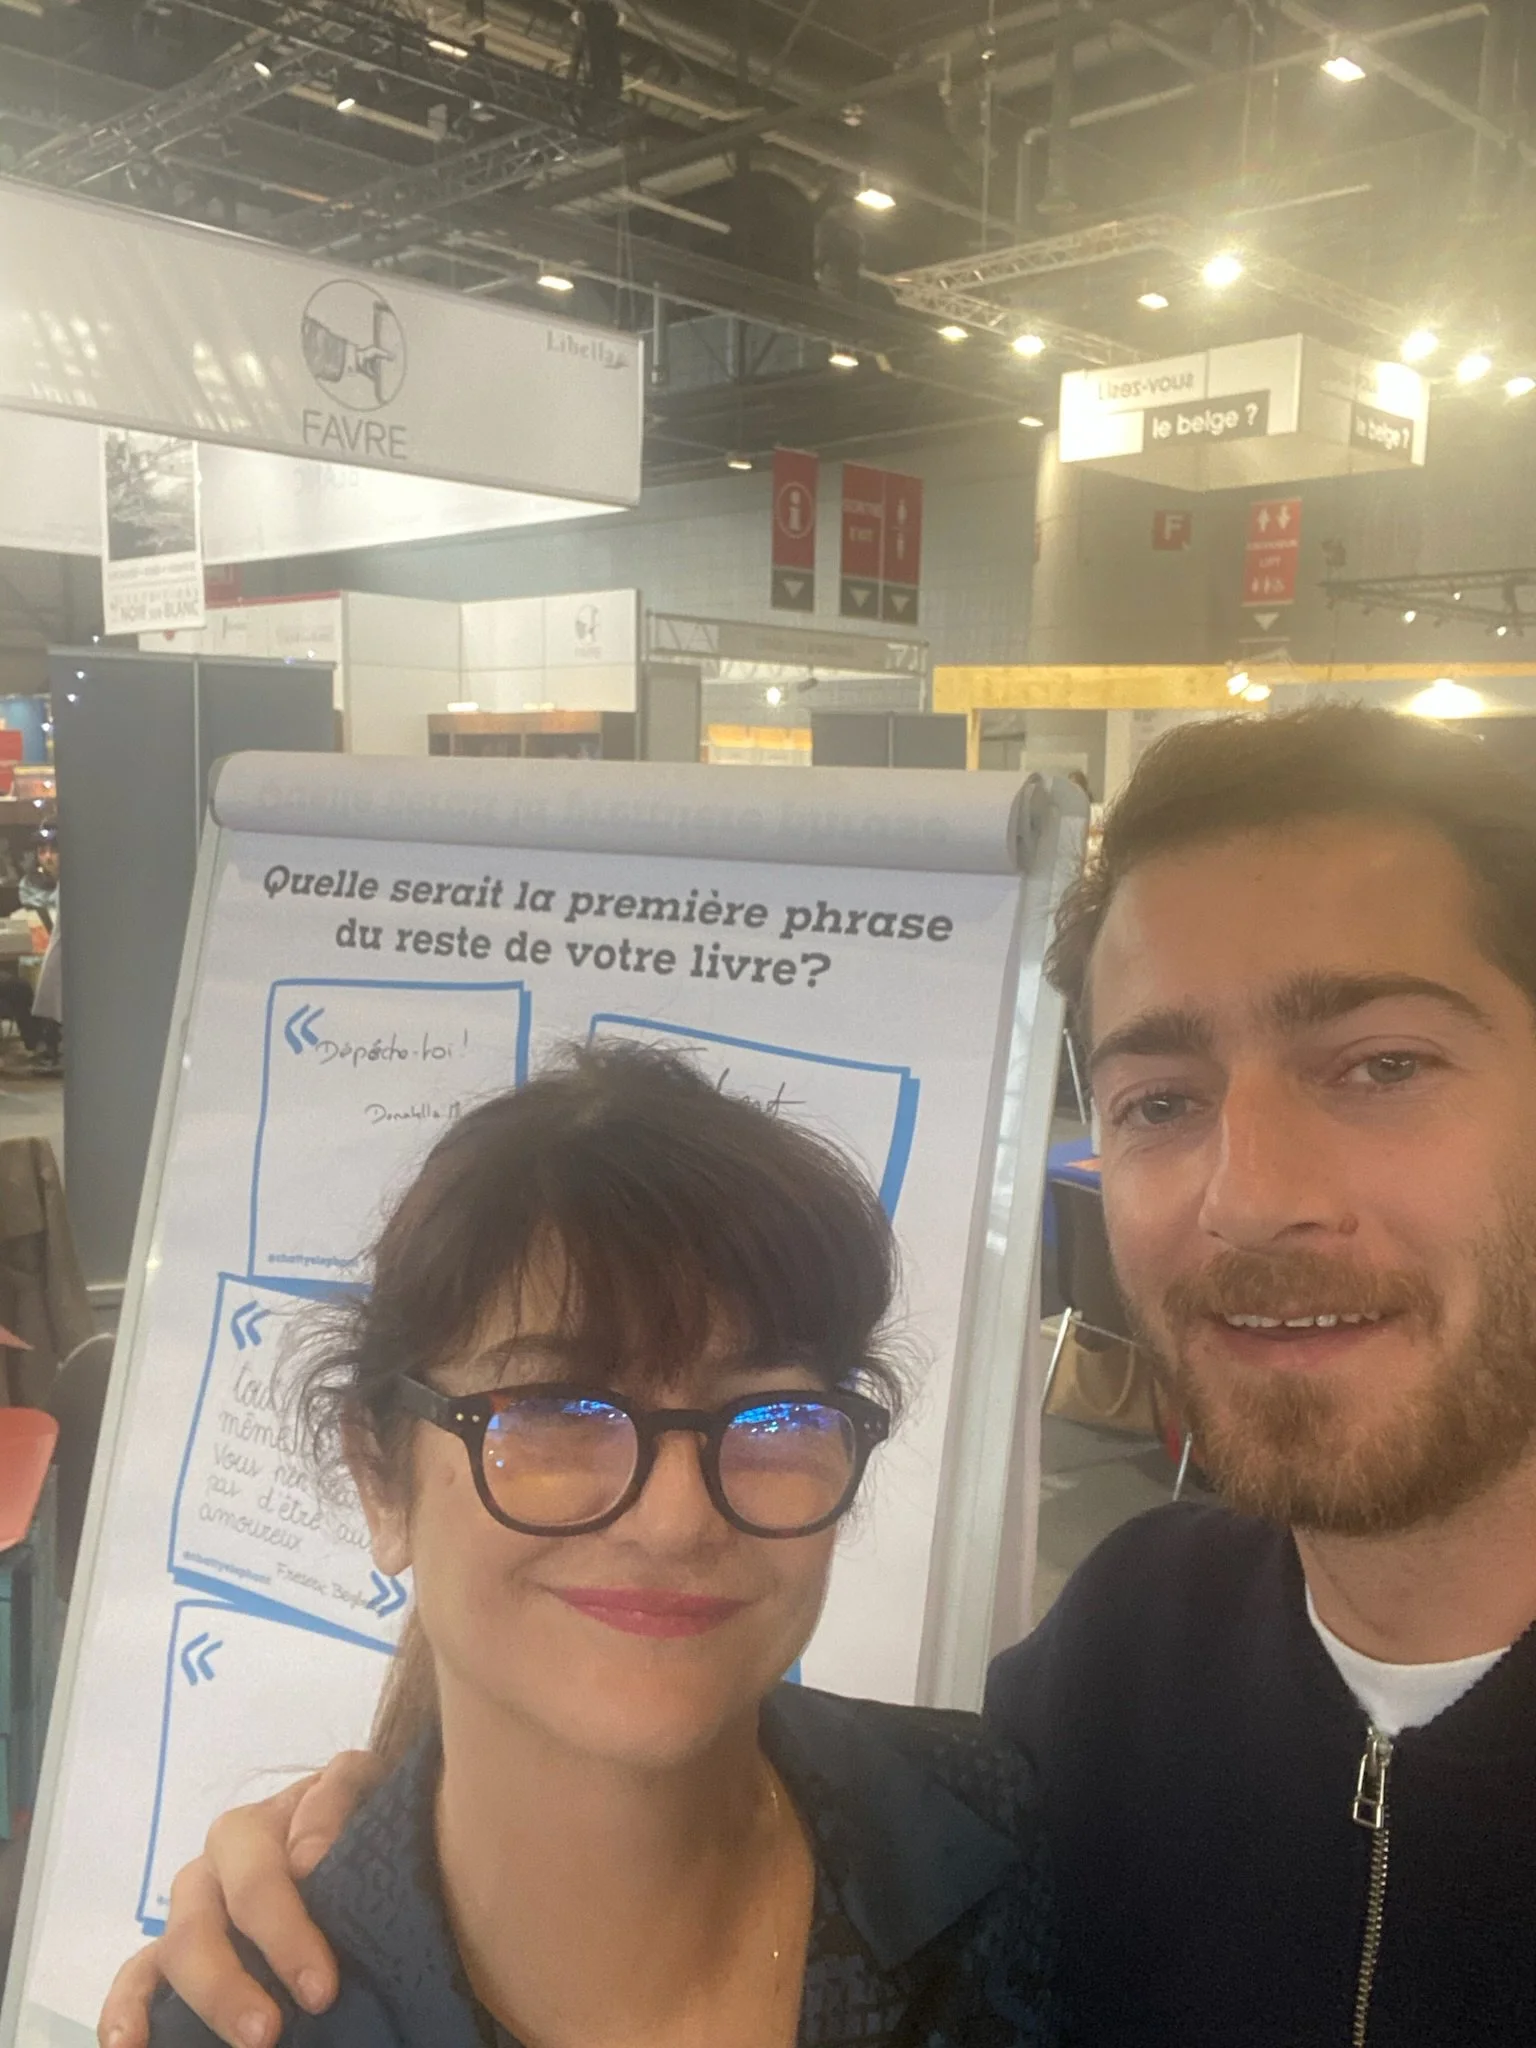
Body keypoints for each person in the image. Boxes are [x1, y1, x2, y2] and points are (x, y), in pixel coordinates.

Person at [104, 702, 1536, 2045]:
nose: (1253, 1195)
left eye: (1383, 1065)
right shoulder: (1118, 1682)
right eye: (1161, 1098)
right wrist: (363, 1851)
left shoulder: (1024, 1781)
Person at [136, 1044, 1059, 2048]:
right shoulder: (251, 2024)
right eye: (558, 1409)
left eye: (770, 1413)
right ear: (379, 1477)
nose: (676, 1520)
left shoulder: (1008, 1836)